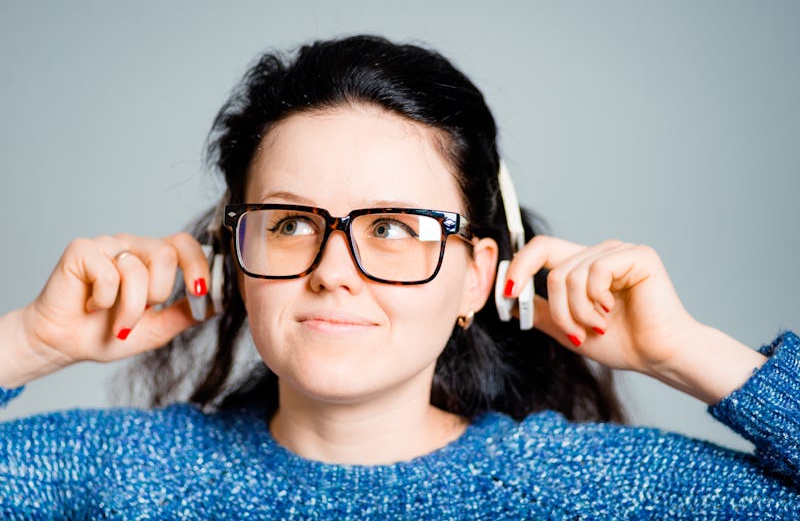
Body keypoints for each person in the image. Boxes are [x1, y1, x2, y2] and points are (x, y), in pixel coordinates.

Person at [0, 34, 797, 518]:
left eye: (390, 229)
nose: (334, 272)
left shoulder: (575, 489)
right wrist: (28, 343)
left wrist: (687, 354)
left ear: (477, 277)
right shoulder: (126, 476)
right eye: (289, 224)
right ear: (237, 263)